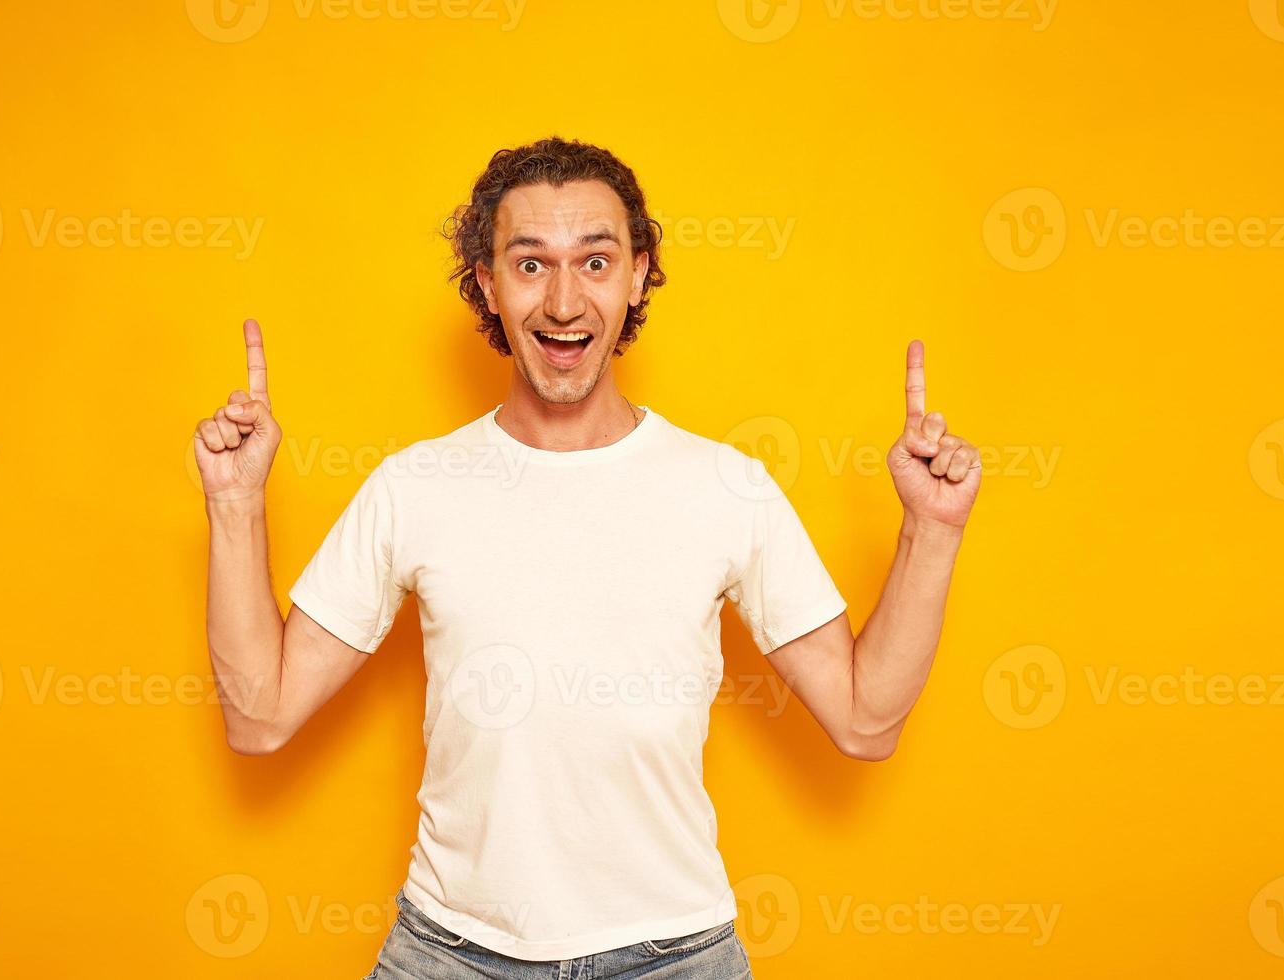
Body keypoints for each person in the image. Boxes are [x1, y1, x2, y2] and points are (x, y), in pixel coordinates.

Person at [192, 137, 981, 979]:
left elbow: (864, 721)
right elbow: (258, 714)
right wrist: (235, 505)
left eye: (595, 261)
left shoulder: (725, 487)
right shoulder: (413, 487)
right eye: (530, 265)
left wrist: (932, 529)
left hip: (674, 957)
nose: (564, 301)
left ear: (638, 274)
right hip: (451, 955)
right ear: (487, 284)